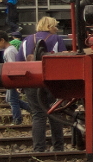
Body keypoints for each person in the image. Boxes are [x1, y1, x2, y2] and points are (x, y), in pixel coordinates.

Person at [20, 16, 67, 152]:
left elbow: (19, 61)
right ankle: (58, 147)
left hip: (31, 82)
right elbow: (64, 58)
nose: (56, 29)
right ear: (50, 26)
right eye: (55, 26)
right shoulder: (57, 39)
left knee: (38, 115)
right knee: (55, 113)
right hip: (52, 83)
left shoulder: (27, 40)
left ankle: (39, 149)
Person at [0, 32, 30, 125]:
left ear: (2, 40)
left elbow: (13, 67)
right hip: (11, 79)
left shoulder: (9, 51)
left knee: (12, 100)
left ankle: (17, 120)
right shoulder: (10, 50)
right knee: (10, 99)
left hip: (12, 79)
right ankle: (32, 110)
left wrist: (15, 82)